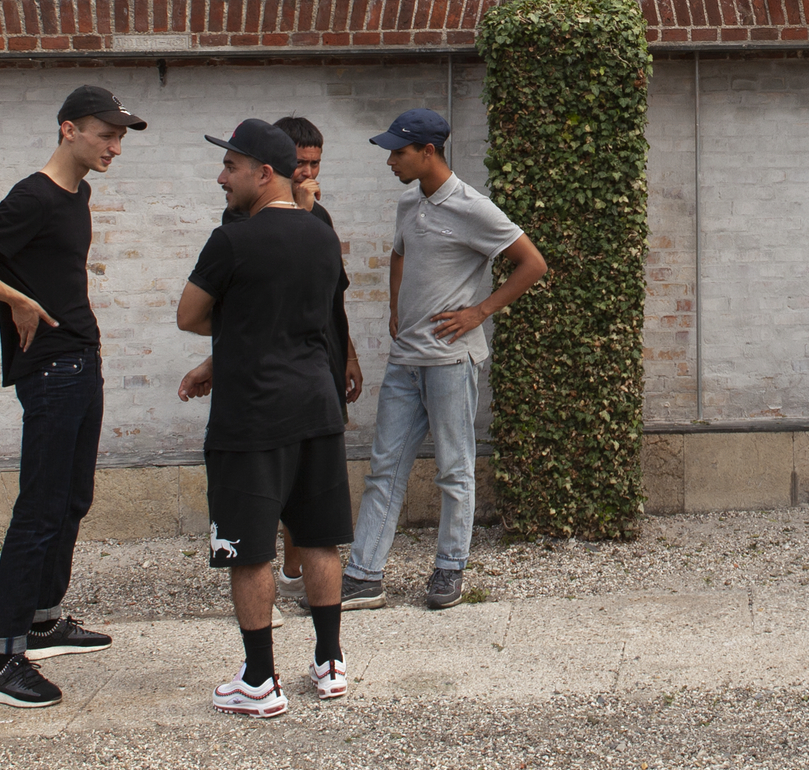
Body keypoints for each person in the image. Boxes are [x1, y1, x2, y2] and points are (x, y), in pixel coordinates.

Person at [0, 83, 144, 709]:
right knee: (40, 508)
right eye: (107, 134)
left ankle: (45, 620)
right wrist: (16, 299)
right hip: (52, 371)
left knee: (73, 498)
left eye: (120, 136)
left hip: (82, 361)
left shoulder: (79, 197)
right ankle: (6, 659)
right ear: (68, 129)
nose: (116, 146)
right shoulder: (35, 196)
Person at [178, 117, 355, 717]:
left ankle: (259, 680)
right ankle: (330, 664)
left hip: (252, 413)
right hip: (317, 404)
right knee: (319, 536)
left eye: (230, 167)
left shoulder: (231, 240)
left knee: (250, 549)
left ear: (263, 172)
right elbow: (313, 314)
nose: (221, 177)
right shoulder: (322, 235)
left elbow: (189, 315)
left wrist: (232, 326)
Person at [341, 109, 548, 612]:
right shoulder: (408, 202)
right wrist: (396, 307)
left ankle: (449, 569)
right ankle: (364, 575)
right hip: (405, 360)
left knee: (455, 469)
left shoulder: (473, 207)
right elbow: (399, 255)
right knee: (385, 467)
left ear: (428, 152)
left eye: (398, 151)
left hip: (452, 362)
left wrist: (480, 311)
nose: (390, 160)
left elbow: (533, 263)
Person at [207, 116, 366, 598]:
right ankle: (271, 571)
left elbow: (329, 299)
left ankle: (297, 574)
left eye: (316, 163)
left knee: (314, 502)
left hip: (317, 365)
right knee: (266, 487)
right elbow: (246, 313)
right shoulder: (242, 220)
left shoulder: (319, 220)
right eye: (300, 163)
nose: (308, 172)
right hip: (263, 385)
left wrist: (349, 356)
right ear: (274, 167)